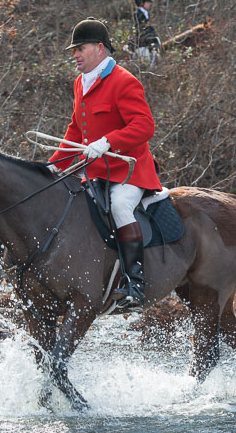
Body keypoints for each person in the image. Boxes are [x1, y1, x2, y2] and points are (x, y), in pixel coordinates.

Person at [50, 18, 163, 309]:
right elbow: (75, 129)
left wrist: (109, 141)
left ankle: (136, 284)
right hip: (96, 173)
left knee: (120, 206)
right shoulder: (80, 83)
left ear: (100, 49)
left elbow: (145, 126)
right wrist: (54, 166)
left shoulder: (124, 81)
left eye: (80, 48)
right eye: (73, 49)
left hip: (130, 171)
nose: (75, 54)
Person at [134, 0, 160, 65]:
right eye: (148, 2)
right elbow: (141, 29)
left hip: (148, 42)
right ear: (142, 3)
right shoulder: (137, 14)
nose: (150, 4)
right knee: (146, 64)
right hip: (141, 44)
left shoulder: (146, 13)